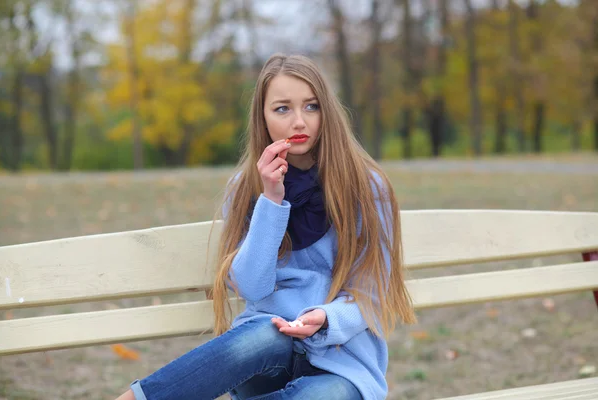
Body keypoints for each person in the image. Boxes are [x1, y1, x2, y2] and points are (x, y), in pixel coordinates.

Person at [115, 53, 417, 400]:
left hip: (341, 357)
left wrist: (327, 317)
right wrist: (272, 200)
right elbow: (252, 287)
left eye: (312, 106)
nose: (299, 122)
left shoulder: (367, 186)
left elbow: (374, 292)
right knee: (260, 336)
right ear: (263, 117)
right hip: (266, 348)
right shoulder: (246, 187)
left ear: (328, 112)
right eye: (282, 109)